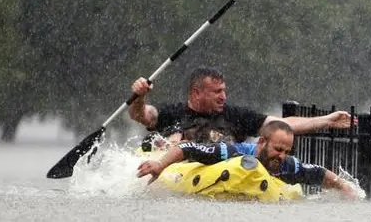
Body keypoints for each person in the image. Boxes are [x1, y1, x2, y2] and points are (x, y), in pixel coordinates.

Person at [128, 66, 356, 148]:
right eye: (217, 92)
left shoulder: (235, 116)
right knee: (174, 138)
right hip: (179, 171)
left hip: (220, 172)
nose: (223, 97)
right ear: (197, 93)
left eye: (224, 91)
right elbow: (141, 115)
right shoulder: (171, 112)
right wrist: (139, 96)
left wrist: (326, 120)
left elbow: (280, 125)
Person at [136, 120, 358, 200]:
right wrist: (160, 165)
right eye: (278, 149)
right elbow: (187, 148)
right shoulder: (232, 151)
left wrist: (344, 187)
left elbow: (318, 172)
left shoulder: (285, 164)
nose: (282, 155)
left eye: (287, 151)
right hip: (203, 170)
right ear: (262, 142)